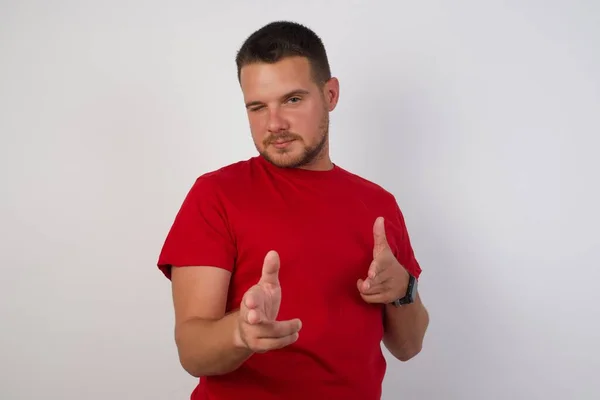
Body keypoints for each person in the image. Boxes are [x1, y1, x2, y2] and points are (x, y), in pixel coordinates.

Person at [156, 20, 430, 400]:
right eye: (257, 107)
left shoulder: (379, 205)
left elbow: (409, 345)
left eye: (293, 99)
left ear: (330, 94)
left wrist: (402, 288)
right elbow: (192, 349)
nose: (275, 124)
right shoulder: (216, 195)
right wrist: (241, 333)